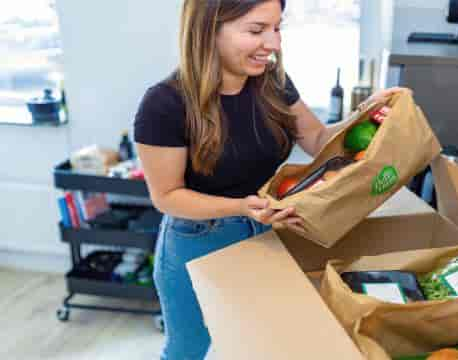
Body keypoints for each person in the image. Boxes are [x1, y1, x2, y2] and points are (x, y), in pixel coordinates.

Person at [134, 0, 405, 358]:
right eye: (256, 30)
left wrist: (366, 114)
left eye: (277, 28)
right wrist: (241, 207)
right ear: (209, 29)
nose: (274, 43)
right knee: (189, 349)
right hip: (199, 240)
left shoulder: (272, 82)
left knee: (261, 341)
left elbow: (319, 141)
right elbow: (167, 196)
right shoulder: (164, 104)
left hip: (268, 231)